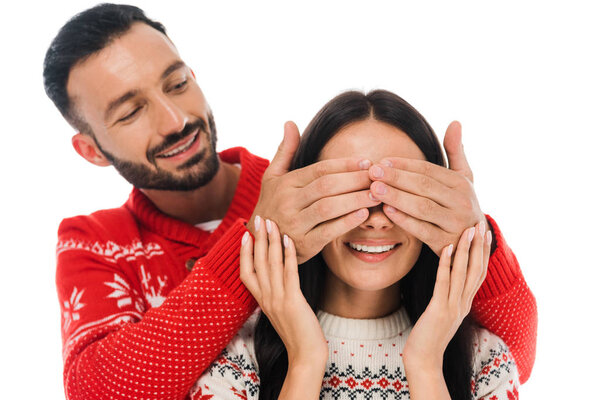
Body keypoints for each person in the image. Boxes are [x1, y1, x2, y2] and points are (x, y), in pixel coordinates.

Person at [43, 4, 536, 400]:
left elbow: (512, 354)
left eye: (177, 83)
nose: (174, 119)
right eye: (131, 112)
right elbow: (98, 393)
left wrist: (471, 236)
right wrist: (258, 245)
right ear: (90, 149)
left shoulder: (304, 181)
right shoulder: (93, 243)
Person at [190, 90, 520, 400]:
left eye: (400, 195)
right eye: (349, 194)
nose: (375, 219)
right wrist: (305, 360)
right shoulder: (235, 358)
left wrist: (426, 364)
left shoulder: (485, 360)